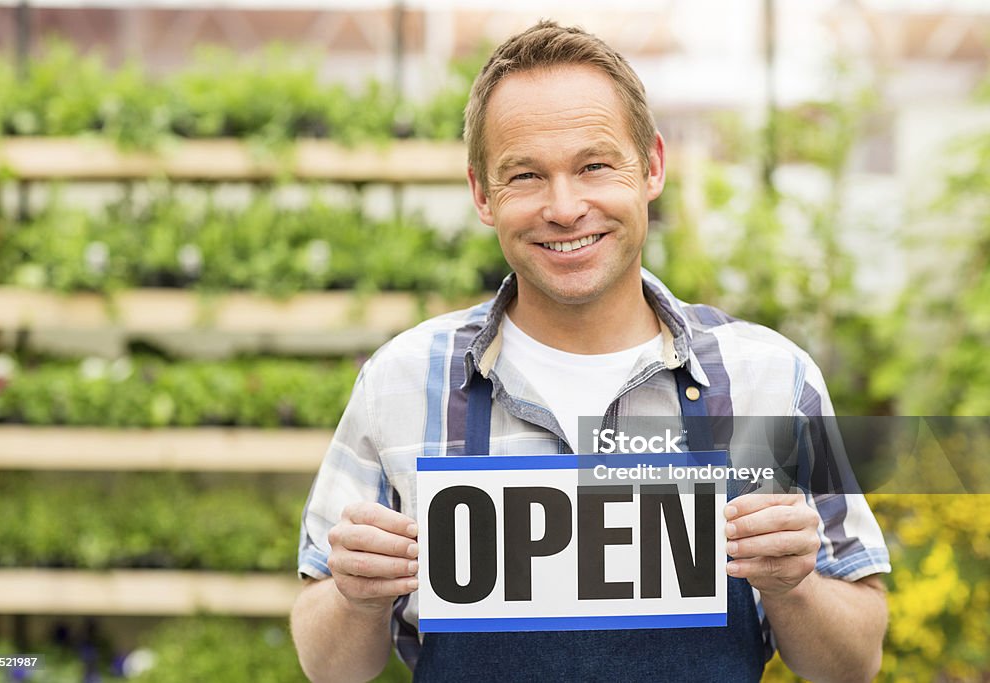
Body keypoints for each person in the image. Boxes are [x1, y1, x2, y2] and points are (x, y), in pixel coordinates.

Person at [291, 20, 890, 683]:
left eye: (594, 165)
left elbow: (854, 662)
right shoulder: (402, 383)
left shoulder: (770, 382)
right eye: (524, 175)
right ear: (482, 195)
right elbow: (327, 665)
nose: (565, 206)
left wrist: (792, 585)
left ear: (653, 166)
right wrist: (354, 594)